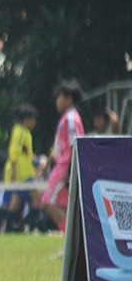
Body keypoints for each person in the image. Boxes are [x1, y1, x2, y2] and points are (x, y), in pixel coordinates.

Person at [42, 80, 85, 232]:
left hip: (65, 166)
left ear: (69, 99)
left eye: (60, 97)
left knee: (48, 201)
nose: (57, 101)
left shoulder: (71, 119)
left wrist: (70, 170)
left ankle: (70, 239)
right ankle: (70, 244)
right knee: (66, 206)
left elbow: (75, 144)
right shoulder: (67, 117)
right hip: (63, 165)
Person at [0, 103, 44, 233]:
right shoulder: (19, 131)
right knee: (36, 199)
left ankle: (5, 230)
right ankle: (35, 229)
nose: (34, 122)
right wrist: (14, 171)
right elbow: (14, 151)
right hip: (20, 173)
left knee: (14, 203)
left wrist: (34, 162)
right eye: (33, 119)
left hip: (25, 172)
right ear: (27, 120)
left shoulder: (25, 132)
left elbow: (25, 152)